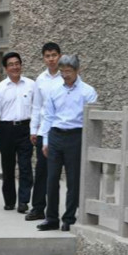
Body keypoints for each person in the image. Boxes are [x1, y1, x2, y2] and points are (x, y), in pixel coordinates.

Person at [37, 55, 98, 232]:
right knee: (51, 178)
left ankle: (69, 218)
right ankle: (51, 218)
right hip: (56, 134)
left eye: (68, 71)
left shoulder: (88, 92)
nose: (65, 75)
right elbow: (48, 116)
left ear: (78, 70)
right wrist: (45, 140)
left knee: (73, 179)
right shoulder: (55, 90)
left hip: (76, 136)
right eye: (62, 71)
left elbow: (91, 120)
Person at [25, 41, 63, 221]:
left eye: (54, 55)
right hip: (44, 132)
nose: (51, 59)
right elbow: (36, 106)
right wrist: (34, 130)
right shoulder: (40, 79)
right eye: (47, 56)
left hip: (62, 129)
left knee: (58, 174)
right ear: (43, 58)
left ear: (59, 56)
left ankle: (60, 211)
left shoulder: (66, 77)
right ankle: (38, 207)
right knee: (41, 171)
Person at [0, 51, 35, 213]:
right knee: (8, 166)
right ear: (5, 68)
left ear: (21, 65)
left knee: (25, 166)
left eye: (17, 63)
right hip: (6, 129)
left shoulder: (31, 85)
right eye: (11, 65)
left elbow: (37, 108)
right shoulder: (0, 88)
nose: (15, 67)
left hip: (26, 128)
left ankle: (24, 201)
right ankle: (9, 200)